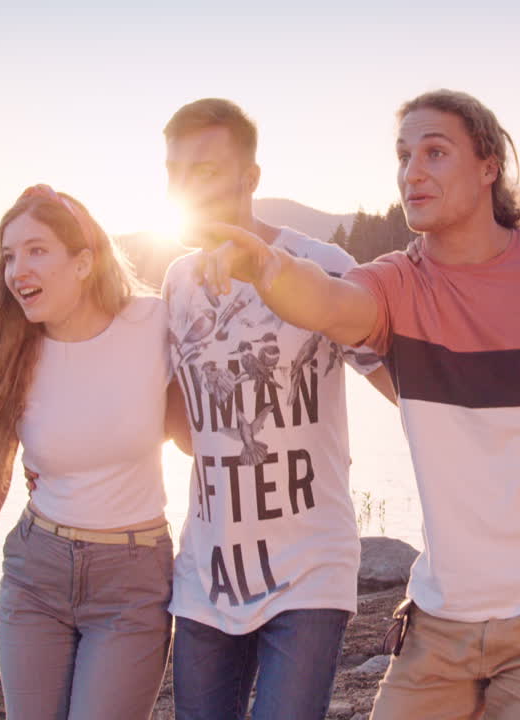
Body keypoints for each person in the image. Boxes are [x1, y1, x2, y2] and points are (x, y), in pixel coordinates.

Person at [194, 89, 520, 719]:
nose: (412, 172)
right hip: (437, 620)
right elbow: (329, 302)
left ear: (489, 166)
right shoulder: (397, 282)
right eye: (403, 156)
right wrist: (266, 267)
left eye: (434, 152)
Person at [160, 98, 395, 720]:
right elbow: (188, 433)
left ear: (250, 179)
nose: (186, 185)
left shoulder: (322, 266)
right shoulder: (178, 284)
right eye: (175, 171)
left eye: (206, 170)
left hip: (307, 573)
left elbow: (404, 388)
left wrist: (514, 430)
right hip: (205, 579)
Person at [0, 185, 179, 719]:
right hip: (35, 576)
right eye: (10, 255)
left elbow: (214, 414)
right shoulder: (11, 354)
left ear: (84, 261)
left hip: (131, 582)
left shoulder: (154, 324)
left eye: (37, 250)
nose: (18, 269)